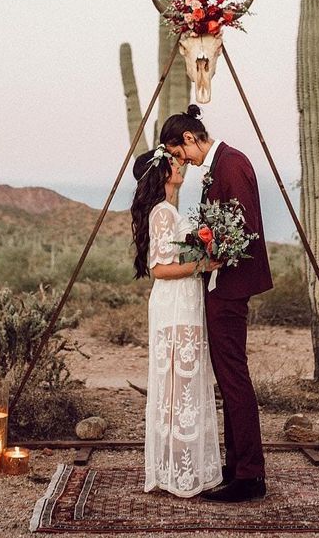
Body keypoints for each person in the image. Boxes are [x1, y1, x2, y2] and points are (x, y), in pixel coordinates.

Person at [160, 104, 273, 503]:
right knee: (228, 378)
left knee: (234, 379)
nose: (181, 161)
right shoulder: (219, 164)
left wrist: (214, 255)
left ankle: (250, 476)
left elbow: (244, 231)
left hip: (229, 287)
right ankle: (235, 464)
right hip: (219, 285)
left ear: (189, 139)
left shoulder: (231, 164)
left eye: (178, 154)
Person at [130, 145, 223, 498]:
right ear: (162, 173)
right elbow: (159, 269)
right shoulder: (162, 214)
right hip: (174, 305)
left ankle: (183, 467)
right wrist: (206, 265)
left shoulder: (168, 210)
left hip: (184, 301)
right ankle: (177, 472)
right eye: (174, 161)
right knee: (178, 383)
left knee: (183, 382)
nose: (180, 163)